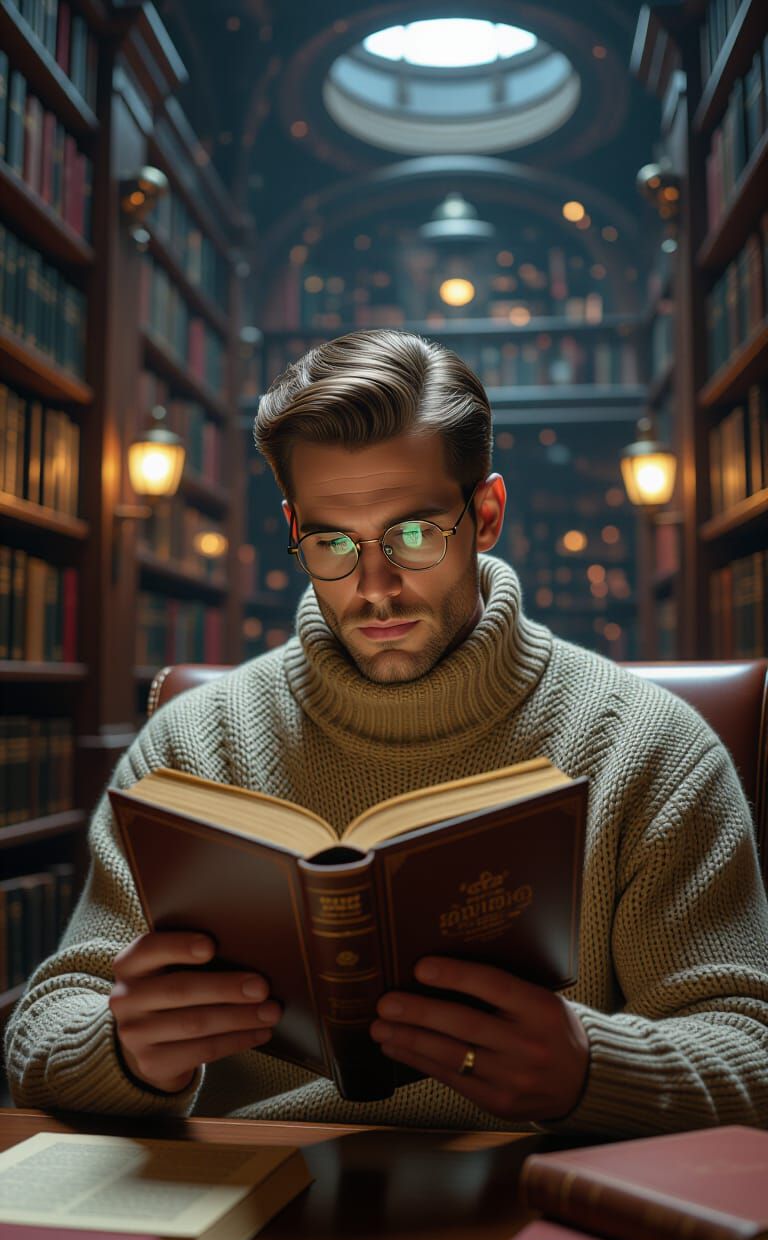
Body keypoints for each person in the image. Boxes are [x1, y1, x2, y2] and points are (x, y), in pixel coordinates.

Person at [6, 329, 768, 1135]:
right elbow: (41, 1036)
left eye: (413, 533)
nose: (375, 589)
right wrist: (124, 1048)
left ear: (486, 515)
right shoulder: (191, 746)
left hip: (524, 1201)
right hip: (255, 1206)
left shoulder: (649, 746)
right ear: (295, 528)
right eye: (333, 542)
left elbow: (750, 1049)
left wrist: (590, 1069)